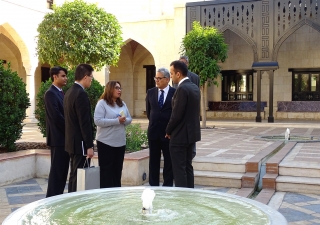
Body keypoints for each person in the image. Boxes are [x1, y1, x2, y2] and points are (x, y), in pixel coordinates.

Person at [165, 60, 201, 188]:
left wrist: (168, 131)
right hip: (191, 135)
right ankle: (190, 195)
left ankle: (182, 198)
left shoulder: (182, 89)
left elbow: (177, 115)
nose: (171, 77)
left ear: (178, 74)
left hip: (180, 136)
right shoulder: (194, 87)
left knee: (179, 169)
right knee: (188, 167)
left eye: (171, 73)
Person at [94, 81, 132, 188]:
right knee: (106, 171)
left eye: (120, 88)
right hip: (106, 142)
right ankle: (106, 196)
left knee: (117, 170)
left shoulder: (122, 104)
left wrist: (124, 120)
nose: (119, 90)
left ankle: (116, 194)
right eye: (117, 88)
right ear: (110, 89)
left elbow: (129, 118)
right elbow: (98, 121)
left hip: (120, 142)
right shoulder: (102, 103)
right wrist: (116, 121)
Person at [64, 63, 95, 193]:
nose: (92, 80)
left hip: (71, 142)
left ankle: (71, 198)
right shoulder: (80, 94)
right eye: (91, 77)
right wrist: (89, 146)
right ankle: (73, 202)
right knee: (77, 175)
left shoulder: (69, 92)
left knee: (74, 174)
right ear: (85, 76)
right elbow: (84, 122)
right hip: (80, 143)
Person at [146, 68, 175, 186]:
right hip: (153, 132)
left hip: (168, 133)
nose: (156, 80)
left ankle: (167, 186)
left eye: (159, 78)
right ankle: (153, 186)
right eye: (155, 78)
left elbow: (175, 113)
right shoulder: (151, 92)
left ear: (167, 79)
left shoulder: (175, 92)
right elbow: (149, 112)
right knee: (153, 161)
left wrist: (171, 129)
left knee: (169, 161)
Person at [44, 66, 70, 197]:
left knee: (62, 172)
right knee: (57, 172)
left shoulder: (60, 92)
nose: (66, 78)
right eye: (63, 76)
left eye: (66, 76)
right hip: (58, 139)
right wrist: (70, 129)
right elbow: (56, 117)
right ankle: (51, 198)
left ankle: (58, 197)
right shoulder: (50, 93)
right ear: (55, 76)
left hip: (64, 139)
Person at [174, 55, 200, 158]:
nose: (182, 65)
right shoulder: (176, 77)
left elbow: (196, 93)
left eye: (183, 63)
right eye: (180, 63)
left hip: (191, 110)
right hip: (179, 107)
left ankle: (192, 152)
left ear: (187, 64)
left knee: (191, 131)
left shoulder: (194, 77)